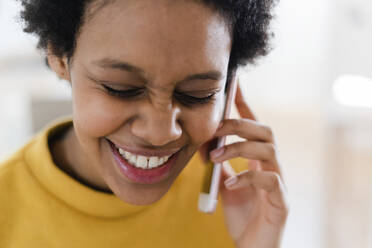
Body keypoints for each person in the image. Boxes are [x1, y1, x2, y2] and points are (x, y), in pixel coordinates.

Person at [0, 0, 288, 247]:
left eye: (197, 94)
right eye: (120, 88)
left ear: (229, 82)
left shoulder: (241, 192)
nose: (160, 133)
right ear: (60, 57)